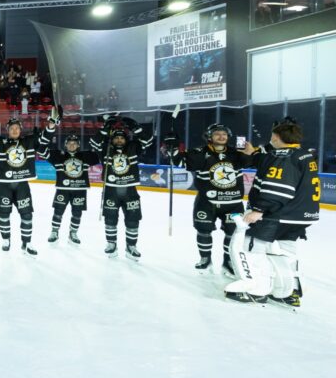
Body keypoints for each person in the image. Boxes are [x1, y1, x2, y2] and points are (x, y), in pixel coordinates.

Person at [225, 118, 319, 305]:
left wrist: (259, 210)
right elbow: (267, 161)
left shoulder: (284, 157)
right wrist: (253, 153)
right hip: (299, 217)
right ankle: (287, 292)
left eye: (272, 136)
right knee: (285, 253)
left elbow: (278, 187)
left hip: (276, 215)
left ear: (276, 137)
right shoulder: (303, 154)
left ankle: (256, 290)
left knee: (252, 248)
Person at [164, 123, 261, 274]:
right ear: (209, 137)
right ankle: (205, 259)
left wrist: (251, 153)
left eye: (224, 134)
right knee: (203, 231)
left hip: (233, 204)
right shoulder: (199, 153)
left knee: (232, 233)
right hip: (207, 203)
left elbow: (257, 163)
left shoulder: (237, 153)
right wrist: (172, 146)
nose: (221, 137)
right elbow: (177, 161)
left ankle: (228, 261)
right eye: (217, 134)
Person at [0, 113, 57, 255]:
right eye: (12, 128)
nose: (14, 130)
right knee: (4, 215)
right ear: (7, 130)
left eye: (17, 128)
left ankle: (26, 243)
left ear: (20, 130)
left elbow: (44, 139)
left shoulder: (29, 141)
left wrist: (51, 125)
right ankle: (6, 240)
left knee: (27, 215)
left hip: (22, 186)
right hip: (3, 185)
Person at [90, 115, 155, 260]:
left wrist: (135, 127)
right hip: (111, 191)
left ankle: (131, 247)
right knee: (110, 219)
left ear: (126, 139)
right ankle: (111, 244)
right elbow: (94, 142)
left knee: (133, 220)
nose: (119, 140)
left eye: (122, 138)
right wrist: (105, 128)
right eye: (116, 138)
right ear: (112, 139)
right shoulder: (105, 149)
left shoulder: (133, 148)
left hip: (130, 191)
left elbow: (148, 140)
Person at [38, 129, 99, 245]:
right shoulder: (57, 155)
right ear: (65, 145)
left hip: (80, 190)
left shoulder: (86, 156)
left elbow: (102, 155)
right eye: (69, 143)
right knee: (58, 212)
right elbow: (41, 151)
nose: (72, 145)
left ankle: (73, 233)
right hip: (63, 190)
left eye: (74, 143)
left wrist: (103, 135)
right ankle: (54, 232)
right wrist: (45, 137)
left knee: (77, 213)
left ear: (78, 145)